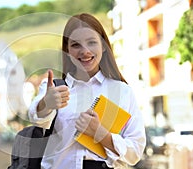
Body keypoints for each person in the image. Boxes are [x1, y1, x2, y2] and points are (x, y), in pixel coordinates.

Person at [28, 13, 146, 169]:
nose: (84, 51)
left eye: (91, 42)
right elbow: (36, 118)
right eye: (76, 45)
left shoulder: (122, 91)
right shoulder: (54, 88)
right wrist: (46, 103)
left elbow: (135, 152)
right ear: (67, 50)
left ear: (103, 46)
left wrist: (100, 133)